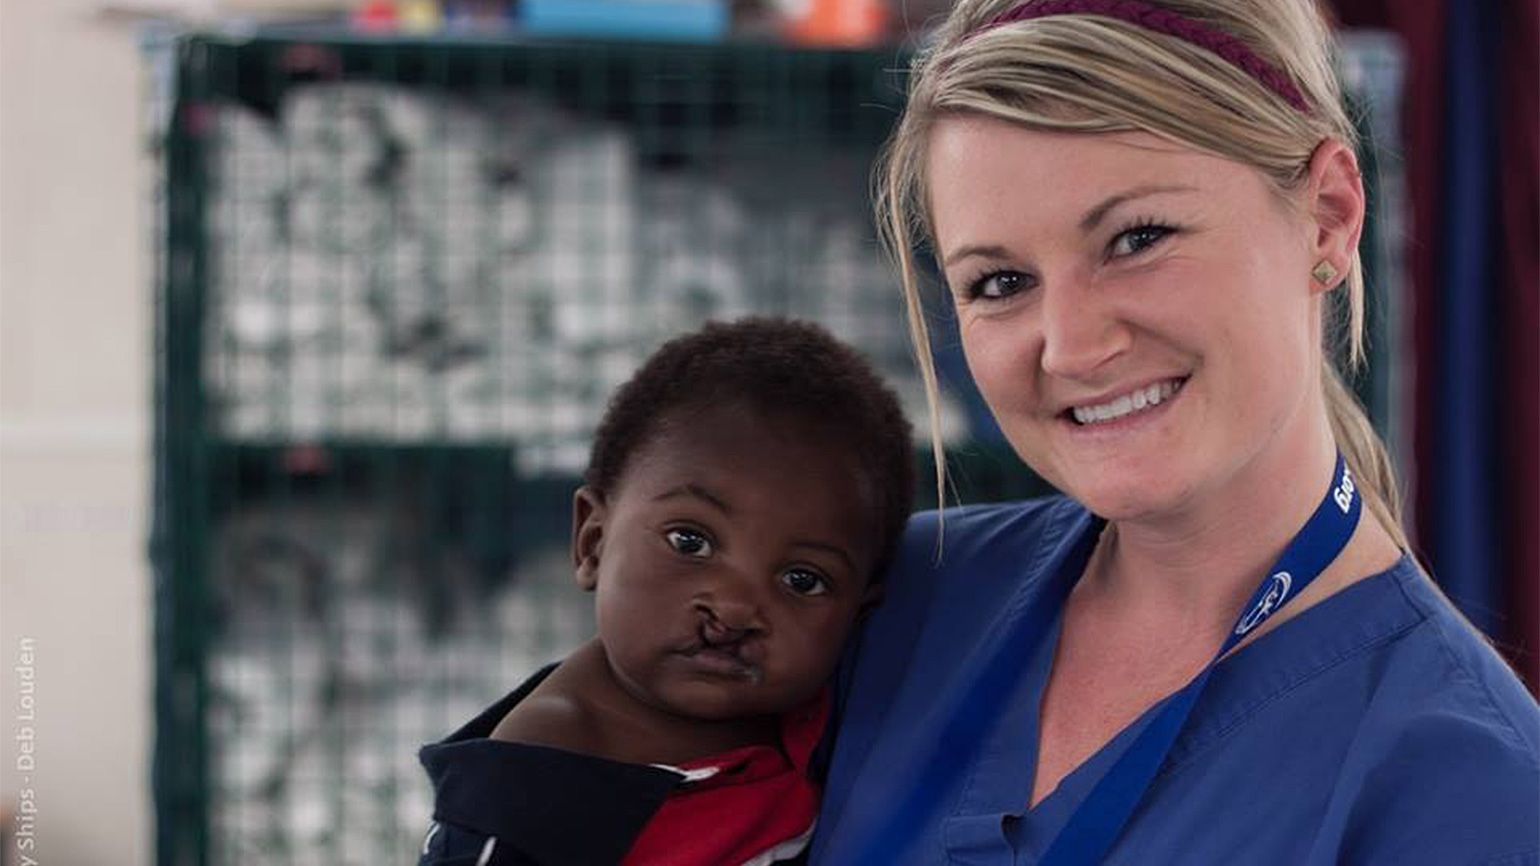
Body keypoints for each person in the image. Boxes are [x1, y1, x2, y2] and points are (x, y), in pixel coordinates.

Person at [809, 1, 1540, 864]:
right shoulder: (885, 605)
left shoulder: (1470, 789)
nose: (1073, 348)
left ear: (1331, 215)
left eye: (1137, 238)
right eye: (1001, 281)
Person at [417, 318, 914, 866]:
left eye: (802, 580)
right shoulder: (540, 777)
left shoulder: (829, 719)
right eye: (690, 541)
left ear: (859, 614)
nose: (733, 608)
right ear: (593, 541)